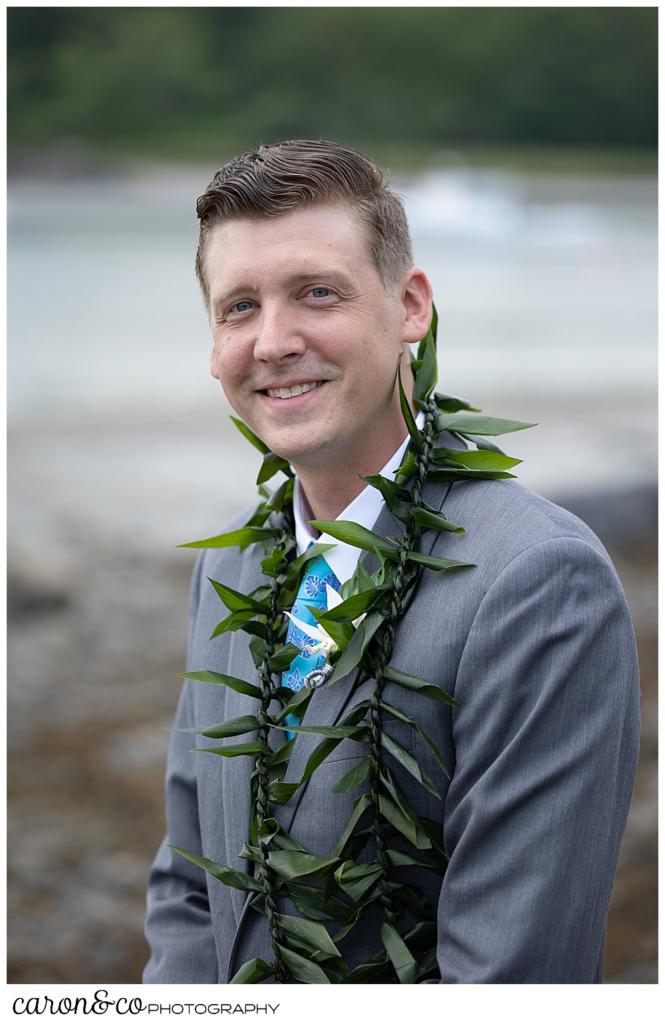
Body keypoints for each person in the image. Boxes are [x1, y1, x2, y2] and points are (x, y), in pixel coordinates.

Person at [143, 139, 640, 984]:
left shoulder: (540, 582)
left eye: (316, 293)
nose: (272, 342)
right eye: (237, 307)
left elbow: (514, 980)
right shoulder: (233, 569)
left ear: (410, 306)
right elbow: (191, 888)